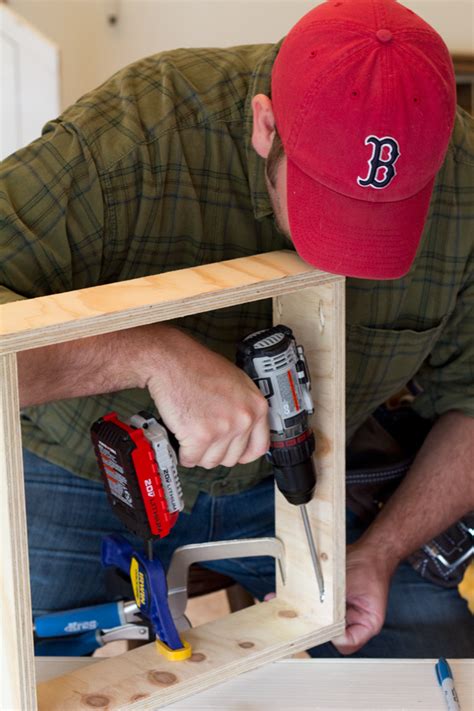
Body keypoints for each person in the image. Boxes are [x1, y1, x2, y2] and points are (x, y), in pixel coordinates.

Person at [1, 0, 473, 657]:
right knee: (31, 671)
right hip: (81, 467)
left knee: (436, 656)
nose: (343, 253)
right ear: (265, 125)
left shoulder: (462, 187)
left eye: (380, 223)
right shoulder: (134, 135)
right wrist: (150, 354)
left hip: (292, 480)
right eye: (326, 206)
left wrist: (383, 550)